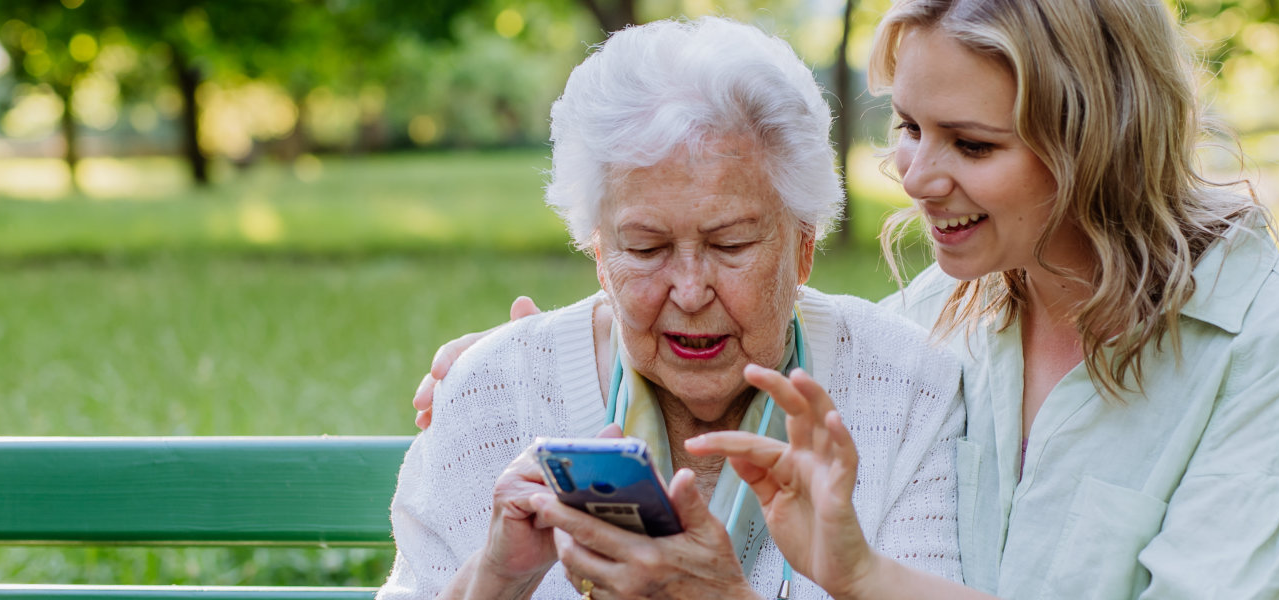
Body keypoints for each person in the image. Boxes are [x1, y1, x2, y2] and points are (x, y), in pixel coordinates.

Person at [415, 0, 1279, 598]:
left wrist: (864, 579)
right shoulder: (944, 318)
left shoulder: (1270, 336)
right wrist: (535, 356)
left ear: (1099, 141)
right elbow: (765, 319)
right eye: (909, 128)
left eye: (972, 145)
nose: (918, 176)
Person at [376, 17, 965, 600]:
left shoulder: (906, 388)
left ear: (803, 247)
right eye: (646, 247)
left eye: (730, 244)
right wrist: (496, 581)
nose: (688, 290)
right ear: (600, 254)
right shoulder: (493, 393)